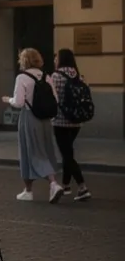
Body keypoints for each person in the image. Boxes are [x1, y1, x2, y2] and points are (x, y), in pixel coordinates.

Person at [2, 47, 63, 203]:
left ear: (23, 61)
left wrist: (8, 100)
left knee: (31, 152)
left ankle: (52, 184)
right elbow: (55, 100)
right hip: (45, 120)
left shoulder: (22, 78)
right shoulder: (46, 77)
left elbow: (19, 102)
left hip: (29, 117)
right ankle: (28, 189)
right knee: (44, 150)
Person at [51, 49, 91, 202]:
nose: (55, 59)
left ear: (61, 59)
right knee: (68, 152)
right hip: (76, 122)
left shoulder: (55, 76)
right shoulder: (79, 75)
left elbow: (53, 98)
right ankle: (66, 185)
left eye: (56, 57)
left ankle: (82, 187)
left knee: (67, 155)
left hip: (60, 122)